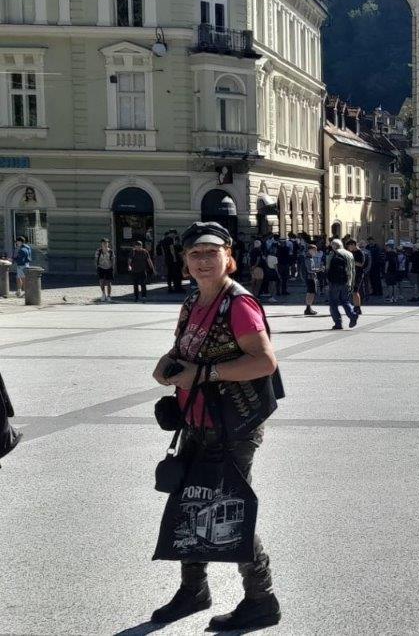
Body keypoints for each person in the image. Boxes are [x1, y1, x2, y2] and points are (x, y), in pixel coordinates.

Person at [150, 221, 281, 630]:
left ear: (229, 257)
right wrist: (166, 366)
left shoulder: (237, 304)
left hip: (232, 426)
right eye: (195, 254)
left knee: (229, 509)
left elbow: (264, 362)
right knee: (188, 505)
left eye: (212, 252)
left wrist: (203, 375)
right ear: (185, 261)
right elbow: (183, 349)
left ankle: (262, 599)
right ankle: (194, 590)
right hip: (198, 421)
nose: (203, 261)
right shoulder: (193, 301)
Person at [325, 238, 357, 329]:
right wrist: (351, 281)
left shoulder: (333, 254)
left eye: (332, 245)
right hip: (347, 280)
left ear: (334, 246)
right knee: (345, 301)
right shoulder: (349, 254)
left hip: (334, 282)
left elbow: (328, 268)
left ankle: (338, 323)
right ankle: (352, 315)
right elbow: (352, 269)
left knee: (333, 303)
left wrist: (327, 281)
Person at [302, 243, 323, 316]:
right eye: (314, 250)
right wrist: (319, 269)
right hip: (310, 277)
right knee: (311, 293)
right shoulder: (308, 258)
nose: (316, 252)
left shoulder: (309, 257)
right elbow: (310, 270)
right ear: (310, 250)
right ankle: (308, 308)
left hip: (310, 277)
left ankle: (308, 308)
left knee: (310, 292)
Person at [347, 239, 367, 313]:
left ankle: (358, 307)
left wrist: (351, 261)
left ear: (353, 245)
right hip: (352, 274)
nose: (348, 248)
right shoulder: (351, 252)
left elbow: (361, 264)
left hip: (358, 274)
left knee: (355, 291)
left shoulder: (360, 253)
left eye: (349, 246)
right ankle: (355, 306)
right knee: (353, 291)